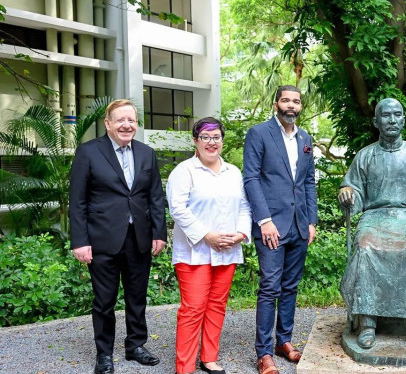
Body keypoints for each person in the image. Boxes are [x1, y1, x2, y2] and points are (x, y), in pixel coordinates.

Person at [338, 98, 406, 357]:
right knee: (364, 247)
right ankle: (367, 322)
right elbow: (353, 190)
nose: (392, 120)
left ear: (404, 119)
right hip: (375, 217)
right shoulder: (365, 155)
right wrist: (348, 194)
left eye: (397, 115)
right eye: (386, 115)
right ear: (376, 121)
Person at [69, 99, 167, 374]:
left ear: (137, 124)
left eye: (131, 120)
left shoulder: (146, 153)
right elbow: (77, 200)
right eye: (120, 120)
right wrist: (79, 241)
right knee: (104, 301)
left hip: (139, 238)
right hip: (102, 240)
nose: (127, 125)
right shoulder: (89, 152)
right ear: (108, 123)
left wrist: (159, 233)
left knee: (137, 297)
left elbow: (155, 197)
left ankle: (135, 345)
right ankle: (104, 354)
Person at [166, 117, 251, 374]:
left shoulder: (233, 172)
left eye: (216, 137)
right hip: (195, 252)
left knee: (217, 304)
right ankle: (185, 367)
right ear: (195, 141)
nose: (211, 142)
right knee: (193, 309)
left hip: (227, 250)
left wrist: (240, 234)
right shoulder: (184, 171)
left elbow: (245, 206)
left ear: (222, 141)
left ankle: (209, 357)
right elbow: (177, 209)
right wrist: (206, 235)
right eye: (205, 137)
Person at [243, 85, 318, 374]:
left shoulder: (305, 137)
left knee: (290, 287)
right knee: (270, 287)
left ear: (300, 106)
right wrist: (264, 220)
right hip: (271, 226)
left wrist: (311, 221)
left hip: (299, 225)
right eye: (286, 100)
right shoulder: (259, 133)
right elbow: (251, 179)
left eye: (296, 101)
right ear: (276, 104)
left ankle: (283, 341)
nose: (291, 105)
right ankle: (263, 352)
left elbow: (308, 181)